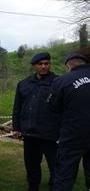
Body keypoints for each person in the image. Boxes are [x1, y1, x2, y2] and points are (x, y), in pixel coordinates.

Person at [12, 52, 60, 190]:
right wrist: (16, 127)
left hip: (51, 134)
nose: (44, 66)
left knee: (55, 165)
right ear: (34, 66)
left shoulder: (58, 82)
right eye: (40, 64)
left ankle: (55, 185)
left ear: (50, 64)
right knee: (31, 164)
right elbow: (17, 108)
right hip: (30, 133)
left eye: (47, 63)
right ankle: (33, 186)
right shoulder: (24, 84)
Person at [49, 53, 90, 190]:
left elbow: (54, 107)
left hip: (72, 135)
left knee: (64, 175)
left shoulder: (62, 80)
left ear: (69, 65)